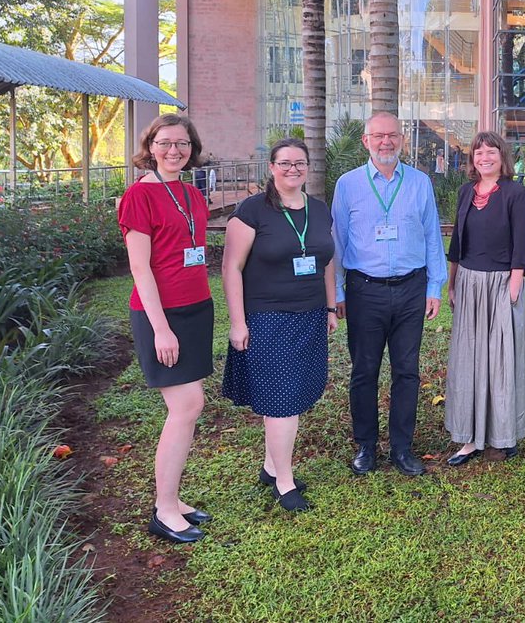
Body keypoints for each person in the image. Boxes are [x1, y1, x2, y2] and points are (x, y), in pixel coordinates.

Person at [221, 138, 336, 512]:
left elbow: (327, 261)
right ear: (271, 167)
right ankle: (284, 483)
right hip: (267, 319)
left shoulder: (319, 210)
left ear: (308, 167)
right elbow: (231, 269)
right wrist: (238, 323)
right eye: (284, 163)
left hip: (311, 315)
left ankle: (271, 468)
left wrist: (332, 308)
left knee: (297, 393)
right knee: (282, 400)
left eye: (299, 163)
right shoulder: (252, 210)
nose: (292, 169)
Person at [332, 113, 446, 476]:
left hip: (412, 289)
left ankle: (401, 447)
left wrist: (434, 286)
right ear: (365, 141)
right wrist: (336, 291)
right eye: (378, 136)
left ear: (402, 140)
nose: (386, 142)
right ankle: (366, 446)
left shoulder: (419, 182)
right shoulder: (347, 184)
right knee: (364, 370)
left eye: (392, 135)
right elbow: (337, 242)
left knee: (407, 371)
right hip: (364, 291)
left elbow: (432, 236)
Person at [118, 113, 214, 544]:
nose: (174, 150)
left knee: (190, 406)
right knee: (187, 406)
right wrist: (161, 329)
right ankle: (162, 510)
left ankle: (174, 502)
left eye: (182, 143)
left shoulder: (192, 193)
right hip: (162, 316)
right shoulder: (139, 196)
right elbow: (139, 267)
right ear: (150, 147)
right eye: (165, 143)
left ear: (191, 149)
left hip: (197, 309)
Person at [444, 131, 525, 467]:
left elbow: (522, 244)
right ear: (472, 159)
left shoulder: (516, 193)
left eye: (491, 151)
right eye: (478, 152)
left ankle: (504, 434)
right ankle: (469, 439)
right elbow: (457, 242)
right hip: (469, 283)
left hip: (502, 285)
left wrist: (513, 288)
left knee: (501, 362)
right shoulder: (466, 191)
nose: (484, 157)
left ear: (502, 156)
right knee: (469, 361)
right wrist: (452, 283)